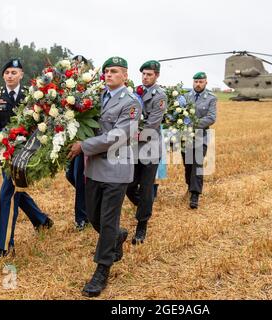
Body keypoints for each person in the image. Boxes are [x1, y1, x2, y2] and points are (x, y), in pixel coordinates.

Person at [68, 56, 142, 297]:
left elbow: (119, 135)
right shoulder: (97, 97)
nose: (108, 75)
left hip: (116, 169)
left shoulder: (131, 102)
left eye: (114, 71)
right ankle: (118, 236)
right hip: (94, 168)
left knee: (108, 219)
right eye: (106, 71)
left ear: (125, 76)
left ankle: (101, 271)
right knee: (93, 216)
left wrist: (84, 146)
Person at [0, 58, 53, 263]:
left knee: (7, 194)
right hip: (6, 153)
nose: (10, 75)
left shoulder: (31, 95)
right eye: (7, 72)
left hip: (27, 153)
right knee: (16, 190)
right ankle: (41, 221)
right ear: (3, 75)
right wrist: (1, 143)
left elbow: (39, 121)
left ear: (21, 75)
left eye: (14, 72)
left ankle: (4, 246)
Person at [126, 60, 167, 245]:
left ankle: (142, 225)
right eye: (143, 74)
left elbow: (152, 124)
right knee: (128, 184)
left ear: (156, 76)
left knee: (146, 187)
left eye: (149, 74)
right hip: (134, 148)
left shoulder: (160, 96)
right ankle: (145, 205)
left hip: (149, 147)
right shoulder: (136, 92)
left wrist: (130, 135)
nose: (145, 77)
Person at [183, 72, 217, 209]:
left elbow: (211, 118)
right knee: (188, 165)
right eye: (196, 81)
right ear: (193, 82)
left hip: (200, 135)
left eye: (201, 81)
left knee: (197, 164)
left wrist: (192, 124)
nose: (198, 84)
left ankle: (195, 194)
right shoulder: (185, 96)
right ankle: (190, 186)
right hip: (185, 136)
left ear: (206, 82)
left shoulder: (211, 98)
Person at [65, 55, 91, 231]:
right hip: (70, 137)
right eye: (75, 65)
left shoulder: (91, 89)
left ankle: (82, 217)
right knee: (70, 176)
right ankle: (92, 201)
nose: (77, 68)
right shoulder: (66, 88)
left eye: (80, 66)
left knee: (80, 179)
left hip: (85, 138)